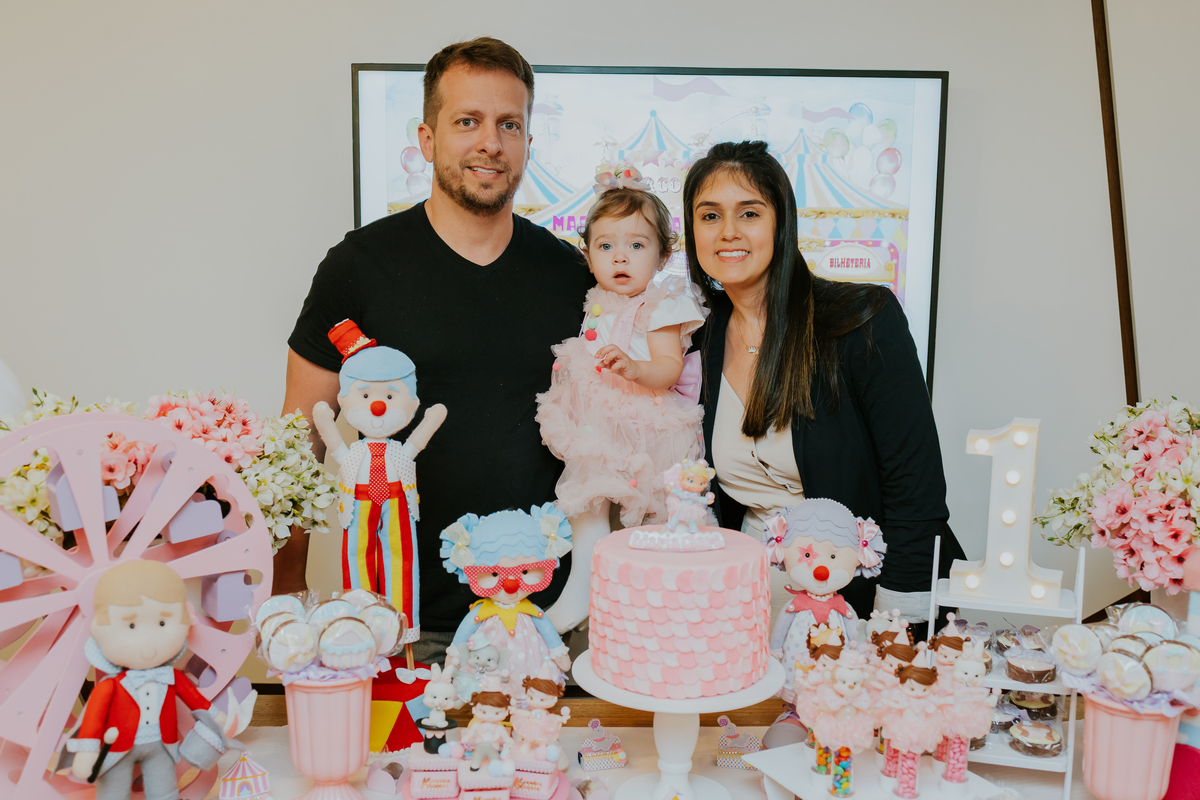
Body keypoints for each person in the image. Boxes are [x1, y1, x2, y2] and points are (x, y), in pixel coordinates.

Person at [283, 37, 593, 665]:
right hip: (393, 621)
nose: (491, 142)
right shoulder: (357, 267)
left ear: (529, 141)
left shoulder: (571, 276)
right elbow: (297, 444)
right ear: (427, 139)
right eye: (468, 122)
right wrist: (284, 595)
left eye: (510, 124)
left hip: (544, 618)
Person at [683, 140, 964, 715]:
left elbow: (916, 489)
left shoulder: (860, 320)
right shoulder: (701, 341)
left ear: (782, 224)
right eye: (709, 215)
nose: (728, 231)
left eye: (750, 212)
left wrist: (895, 627)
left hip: (866, 602)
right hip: (758, 607)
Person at [534, 178, 707, 632]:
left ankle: (634, 608)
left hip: (643, 420)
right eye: (606, 245)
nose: (620, 256)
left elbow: (669, 367)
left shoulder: (660, 305)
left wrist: (634, 369)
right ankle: (582, 591)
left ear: (663, 255)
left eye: (636, 244)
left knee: (642, 513)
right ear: (587, 254)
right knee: (588, 506)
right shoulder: (597, 299)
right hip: (596, 418)